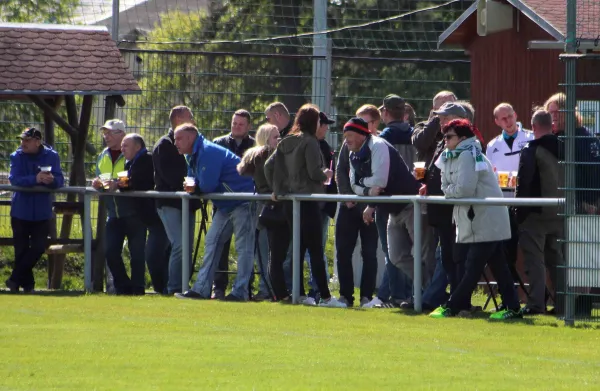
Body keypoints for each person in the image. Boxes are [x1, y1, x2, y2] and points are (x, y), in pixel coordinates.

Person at [429, 119, 522, 320]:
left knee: (473, 266)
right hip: (478, 220)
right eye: (444, 136)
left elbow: (464, 189)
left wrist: (450, 191)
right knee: (499, 266)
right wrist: (451, 191)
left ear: (462, 138)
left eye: (449, 136)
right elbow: (445, 185)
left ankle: (452, 306)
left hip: (486, 219)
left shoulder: (467, 156)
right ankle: (513, 308)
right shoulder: (450, 155)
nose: (445, 140)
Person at [264, 103, 346, 308]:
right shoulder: (310, 142)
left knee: (298, 249)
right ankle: (326, 297)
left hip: (291, 201)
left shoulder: (287, 141)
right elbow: (313, 172)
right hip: (308, 201)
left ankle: (299, 294)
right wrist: (326, 174)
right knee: (316, 249)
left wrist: (277, 189)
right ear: (313, 121)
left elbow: (268, 166)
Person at [174, 123, 256, 302]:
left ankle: (240, 292)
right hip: (226, 204)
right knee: (212, 241)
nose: (175, 143)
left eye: (179, 138)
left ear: (190, 138)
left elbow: (207, 185)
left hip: (243, 201)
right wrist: (193, 186)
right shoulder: (193, 155)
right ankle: (201, 289)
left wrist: (194, 187)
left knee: (244, 247)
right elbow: (194, 181)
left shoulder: (207, 152)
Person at [515, 110, 564, 315]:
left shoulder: (531, 149)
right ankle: (564, 304)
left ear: (533, 127)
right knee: (557, 260)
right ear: (552, 125)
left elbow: (524, 183)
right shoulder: (565, 147)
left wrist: (520, 212)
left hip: (536, 212)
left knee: (535, 259)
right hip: (560, 211)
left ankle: (536, 304)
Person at [5, 127, 64, 293]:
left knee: (38, 247)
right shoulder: (16, 156)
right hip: (20, 211)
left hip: (42, 211)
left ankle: (14, 279)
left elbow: (60, 180)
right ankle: (26, 285)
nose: (23, 143)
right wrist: (35, 179)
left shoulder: (52, 156)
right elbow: (14, 179)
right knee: (21, 250)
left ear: (38, 142)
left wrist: (51, 181)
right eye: (22, 140)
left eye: (27, 140)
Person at [92, 119, 147, 295]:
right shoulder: (102, 156)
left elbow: (136, 178)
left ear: (122, 134)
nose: (106, 136)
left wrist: (117, 183)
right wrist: (97, 183)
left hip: (134, 212)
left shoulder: (132, 155)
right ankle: (123, 286)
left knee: (137, 254)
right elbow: (100, 177)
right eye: (105, 133)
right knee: (110, 251)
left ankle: (138, 288)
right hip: (113, 213)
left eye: (110, 133)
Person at [153, 105, 202, 295]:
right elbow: (170, 177)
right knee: (180, 244)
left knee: (185, 246)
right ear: (179, 120)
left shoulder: (192, 145)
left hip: (186, 203)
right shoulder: (165, 145)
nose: (194, 120)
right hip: (171, 204)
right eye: (190, 117)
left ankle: (181, 285)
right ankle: (175, 286)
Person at [335, 114, 380, 308]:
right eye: (346, 135)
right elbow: (340, 170)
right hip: (349, 206)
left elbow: (379, 177)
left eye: (350, 135)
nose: (347, 139)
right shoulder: (346, 147)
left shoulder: (377, 148)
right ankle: (345, 295)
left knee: (369, 252)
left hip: (370, 207)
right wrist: (347, 196)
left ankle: (366, 296)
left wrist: (370, 203)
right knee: (343, 251)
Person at [212, 109, 256, 300]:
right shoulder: (218, 144)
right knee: (218, 245)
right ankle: (218, 286)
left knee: (245, 246)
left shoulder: (255, 146)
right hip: (222, 203)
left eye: (240, 124)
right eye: (234, 123)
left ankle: (245, 287)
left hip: (247, 204)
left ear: (248, 127)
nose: (236, 127)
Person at [118, 133, 170, 294]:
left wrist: (120, 184)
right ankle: (162, 289)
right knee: (155, 254)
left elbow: (139, 181)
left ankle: (164, 289)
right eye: (122, 145)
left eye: (126, 145)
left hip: (156, 216)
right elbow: (131, 184)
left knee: (154, 255)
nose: (122, 148)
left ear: (138, 146)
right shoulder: (131, 163)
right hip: (146, 217)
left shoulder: (146, 159)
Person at [237, 124, 280, 300]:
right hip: (269, 206)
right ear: (266, 139)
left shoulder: (254, 156)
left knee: (264, 251)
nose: (280, 140)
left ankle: (268, 288)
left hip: (263, 205)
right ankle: (268, 290)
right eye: (276, 137)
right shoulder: (268, 156)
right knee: (266, 251)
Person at [486, 103, 534, 173]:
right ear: (497, 122)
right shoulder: (492, 146)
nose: (508, 121)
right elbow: (489, 175)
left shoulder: (532, 137)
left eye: (510, 116)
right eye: (503, 118)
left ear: (515, 115)